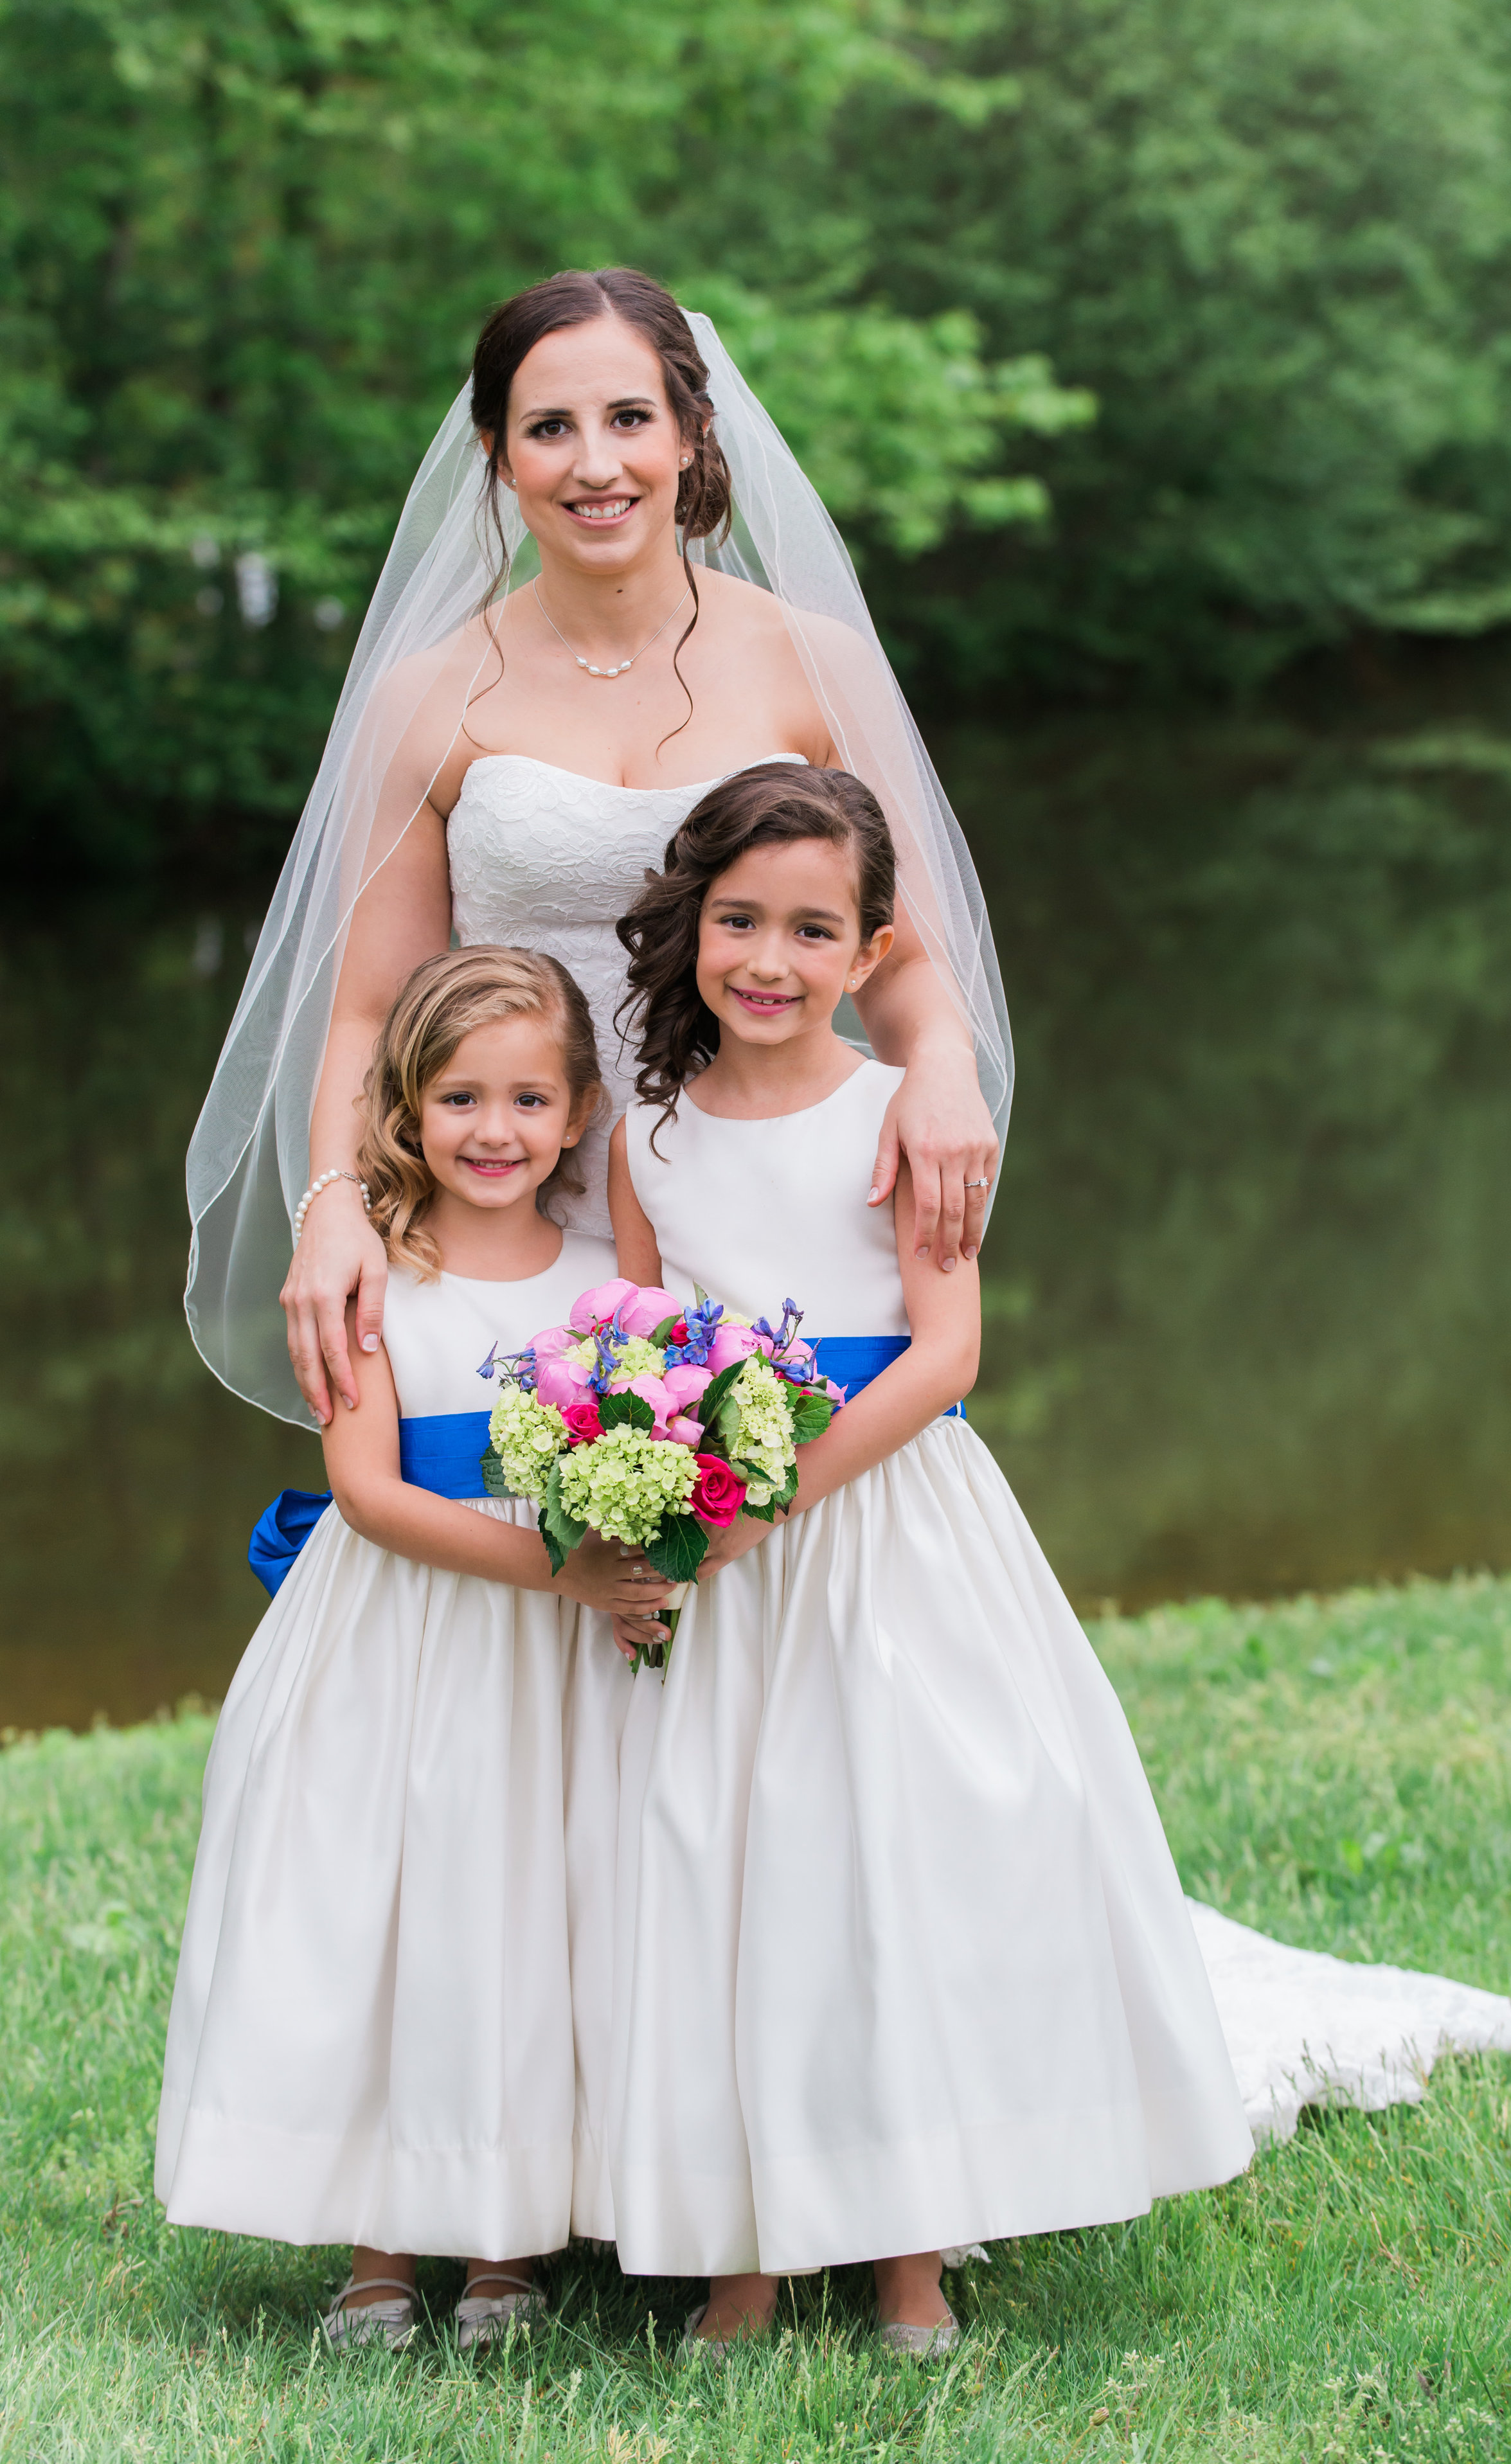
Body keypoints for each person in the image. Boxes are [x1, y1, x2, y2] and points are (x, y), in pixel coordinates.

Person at [602, 763, 1255, 2353]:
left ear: (872, 947)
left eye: (811, 930)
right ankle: (735, 2248)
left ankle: (911, 2249)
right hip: (718, 1557)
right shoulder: (646, 1138)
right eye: (738, 920)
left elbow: (945, 1351)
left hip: (878, 1523)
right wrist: (657, 1502)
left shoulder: (906, 1114)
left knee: (890, 1857)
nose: (768, 959)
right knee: (721, 1871)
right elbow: (628, 1337)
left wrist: (773, 1491)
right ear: (689, 924)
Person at [184, 266, 1008, 1440]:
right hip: (506, 1188)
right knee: (534, 1563)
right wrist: (334, 1207)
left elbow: (908, 959)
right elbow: (372, 1009)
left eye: (629, 418)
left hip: (759, 1188)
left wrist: (938, 1072)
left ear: (692, 431)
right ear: (497, 454)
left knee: (778, 1543)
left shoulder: (815, 662)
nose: (595, 464)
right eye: (549, 429)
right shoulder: (425, 699)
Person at [156, 949, 668, 2349]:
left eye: (525, 1098)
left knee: (539, 1918)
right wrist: (555, 1571)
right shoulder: (377, 1273)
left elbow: (647, 1435)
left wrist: (615, 1568)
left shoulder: (609, 1281)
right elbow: (373, 1493)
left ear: (576, 1115)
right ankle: (384, 2240)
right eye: (457, 1098)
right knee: (406, 1918)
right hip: (418, 1638)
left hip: (561, 1674)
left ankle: (510, 2238)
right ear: (405, 1108)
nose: (492, 1130)